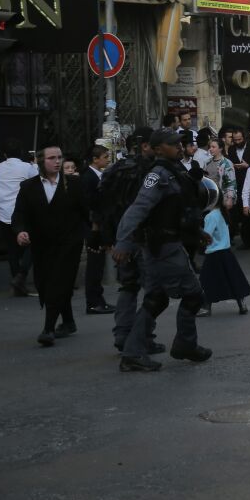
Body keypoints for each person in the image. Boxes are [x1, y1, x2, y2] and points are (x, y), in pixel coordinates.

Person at [112, 129, 212, 372]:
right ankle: (184, 344)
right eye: (173, 144)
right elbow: (138, 209)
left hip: (167, 243)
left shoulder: (175, 172)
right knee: (193, 295)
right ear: (157, 149)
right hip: (163, 247)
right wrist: (123, 243)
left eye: (180, 143)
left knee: (156, 299)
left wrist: (197, 233)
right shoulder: (157, 176)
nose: (179, 147)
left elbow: (179, 211)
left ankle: (133, 352)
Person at [13, 145, 90, 346]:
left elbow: (86, 212)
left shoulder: (73, 183)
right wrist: (21, 231)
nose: (57, 161)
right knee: (45, 283)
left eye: (59, 157)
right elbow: (20, 213)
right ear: (41, 161)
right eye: (51, 158)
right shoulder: (29, 186)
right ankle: (69, 322)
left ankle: (48, 329)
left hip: (69, 242)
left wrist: (97, 237)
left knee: (59, 281)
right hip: (41, 243)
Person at [97, 127, 163, 355]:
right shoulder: (152, 171)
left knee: (128, 286)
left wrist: (108, 237)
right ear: (145, 146)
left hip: (120, 239)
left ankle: (123, 334)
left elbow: (102, 206)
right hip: (142, 239)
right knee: (152, 290)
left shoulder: (115, 170)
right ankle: (141, 337)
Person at [197, 179, 250, 316]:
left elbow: (207, 236)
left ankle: (206, 308)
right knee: (233, 279)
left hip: (214, 253)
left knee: (205, 281)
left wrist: (198, 236)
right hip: (226, 252)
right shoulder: (222, 213)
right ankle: (241, 304)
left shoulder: (210, 216)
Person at [0, 139, 37, 296]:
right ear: (21, 153)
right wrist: (34, 163)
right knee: (32, 244)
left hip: (3, 213)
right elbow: (39, 179)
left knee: (11, 249)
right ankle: (21, 275)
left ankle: (17, 282)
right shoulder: (27, 168)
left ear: (4, 154)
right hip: (21, 214)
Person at [81, 145, 114, 315]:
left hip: (98, 226)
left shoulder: (96, 176)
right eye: (105, 156)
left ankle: (97, 299)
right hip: (94, 228)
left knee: (98, 265)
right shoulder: (89, 178)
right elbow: (92, 204)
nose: (108, 159)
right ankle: (94, 301)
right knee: (95, 265)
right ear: (95, 159)